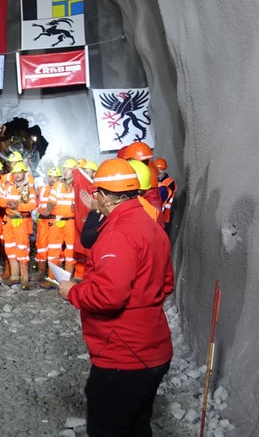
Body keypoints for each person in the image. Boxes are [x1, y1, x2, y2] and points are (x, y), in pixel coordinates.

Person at [57, 159, 174, 436]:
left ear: (106, 196)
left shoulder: (117, 233)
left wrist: (72, 290)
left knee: (108, 427)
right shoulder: (151, 226)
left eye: (97, 192)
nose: (93, 197)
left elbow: (109, 296)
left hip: (124, 355)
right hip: (152, 348)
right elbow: (166, 284)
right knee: (136, 425)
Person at [0, 162, 37, 288]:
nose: (17, 175)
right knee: (10, 248)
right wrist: (7, 203)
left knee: (22, 249)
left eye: (19, 173)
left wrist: (18, 206)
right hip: (8, 220)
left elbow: (32, 204)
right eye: (15, 173)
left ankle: (24, 279)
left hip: (21, 221)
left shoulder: (28, 188)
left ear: (24, 173)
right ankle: (14, 276)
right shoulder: (8, 187)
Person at [35, 166, 61, 287]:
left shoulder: (61, 190)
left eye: (55, 177)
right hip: (42, 222)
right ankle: (41, 272)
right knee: (41, 247)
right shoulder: (42, 189)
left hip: (54, 221)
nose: (52, 179)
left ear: (59, 178)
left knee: (54, 249)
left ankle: (53, 277)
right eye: (50, 176)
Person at [155, 158, 177, 234]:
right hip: (157, 211)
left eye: (161, 169)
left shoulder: (169, 182)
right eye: (157, 169)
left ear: (164, 169)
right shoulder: (153, 179)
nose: (159, 171)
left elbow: (162, 197)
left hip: (164, 212)